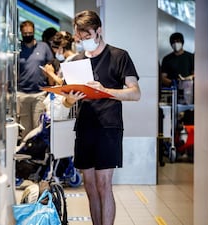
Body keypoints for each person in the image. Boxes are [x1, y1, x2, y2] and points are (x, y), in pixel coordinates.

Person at [71, 10, 141, 225]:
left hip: (108, 127)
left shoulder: (119, 56)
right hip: (84, 126)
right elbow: (67, 100)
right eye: (80, 39)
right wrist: (69, 99)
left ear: (99, 31)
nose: (84, 42)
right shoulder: (77, 61)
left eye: (87, 37)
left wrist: (105, 91)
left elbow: (135, 93)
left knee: (103, 184)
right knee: (90, 186)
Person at [17, 20, 54, 139]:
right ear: (21, 33)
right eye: (25, 33)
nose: (28, 35)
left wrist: (51, 88)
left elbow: (50, 67)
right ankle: (27, 153)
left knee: (37, 126)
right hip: (22, 94)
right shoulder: (18, 48)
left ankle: (37, 154)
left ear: (34, 32)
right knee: (25, 128)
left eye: (30, 33)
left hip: (39, 93)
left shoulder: (43, 47)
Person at [160, 32, 195, 104]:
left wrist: (186, 80)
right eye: (173, 42)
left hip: (189, 92)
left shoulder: (190, 57)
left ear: (182, 42)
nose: (175, 44)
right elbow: (163, 77)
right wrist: (174, 83)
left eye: (178, 41)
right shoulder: (167, 59)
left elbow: (195, 74)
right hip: (172, 92)